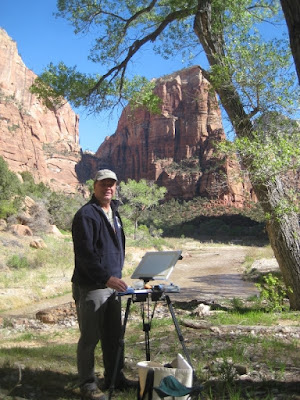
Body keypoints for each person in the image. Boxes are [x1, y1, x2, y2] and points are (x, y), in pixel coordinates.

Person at [71, 169, 136, 400]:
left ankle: (115, 378)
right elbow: (85, 255)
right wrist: (106, 277)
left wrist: (115, 276)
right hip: (92, 285)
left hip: (112, 285)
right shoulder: (86, 215)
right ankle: (88, 384)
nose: (108, 187)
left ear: (116, 186)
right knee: (90, 337)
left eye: (112, 184)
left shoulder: (114, 213)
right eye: (103, 183)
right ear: (94, 186)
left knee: (113, 336)